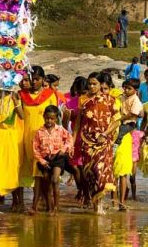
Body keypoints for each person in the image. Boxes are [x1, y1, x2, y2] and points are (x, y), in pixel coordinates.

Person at [74, 72, 121, 212]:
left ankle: (100, 204)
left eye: (95, 84)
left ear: (101, 85)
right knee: (90, 174)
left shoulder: (111, 100)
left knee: (100, 172)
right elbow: (78, 122)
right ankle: (96, 205)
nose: (92, 86)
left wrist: (104, 134)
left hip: (103, 143)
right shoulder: (83, 99)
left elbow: (117, 121)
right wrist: (72, 141)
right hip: (86, 142)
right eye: (90, 84)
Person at [21, 66, 59, 213]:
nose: (34, 82)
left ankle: (44, 205)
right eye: (32, 79)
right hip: (27, 138)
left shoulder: (50, 95)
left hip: (46, 139)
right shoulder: (21, 95)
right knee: (33, 173)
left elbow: (54, 117)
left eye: (37, 79)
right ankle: (34, 203)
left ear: (43, 80)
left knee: (44, 174)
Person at [33, 105, 73, 214]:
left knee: (55, 180)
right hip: (45, 159)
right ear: (44, 117)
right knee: (46, 181)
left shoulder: (60, 129)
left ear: (56, 119)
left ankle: (56, 207)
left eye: (52, 118)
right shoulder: (39, 132)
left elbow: (69, 139)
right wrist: (42, 161)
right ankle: (49, 206)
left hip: (58, 158)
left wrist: (64, 149)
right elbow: (35, 148)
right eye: (47, 118)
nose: (49, 120)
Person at [114, 79, 142, 209]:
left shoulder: (135, 100)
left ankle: (116, 143)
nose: (125, 90)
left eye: (128, 88)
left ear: (135, 90)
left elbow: (133, 114)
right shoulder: (123, 97)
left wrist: (121, 118)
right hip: (123, 122)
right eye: (125, 88)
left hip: (129, 123)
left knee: (121, 133)